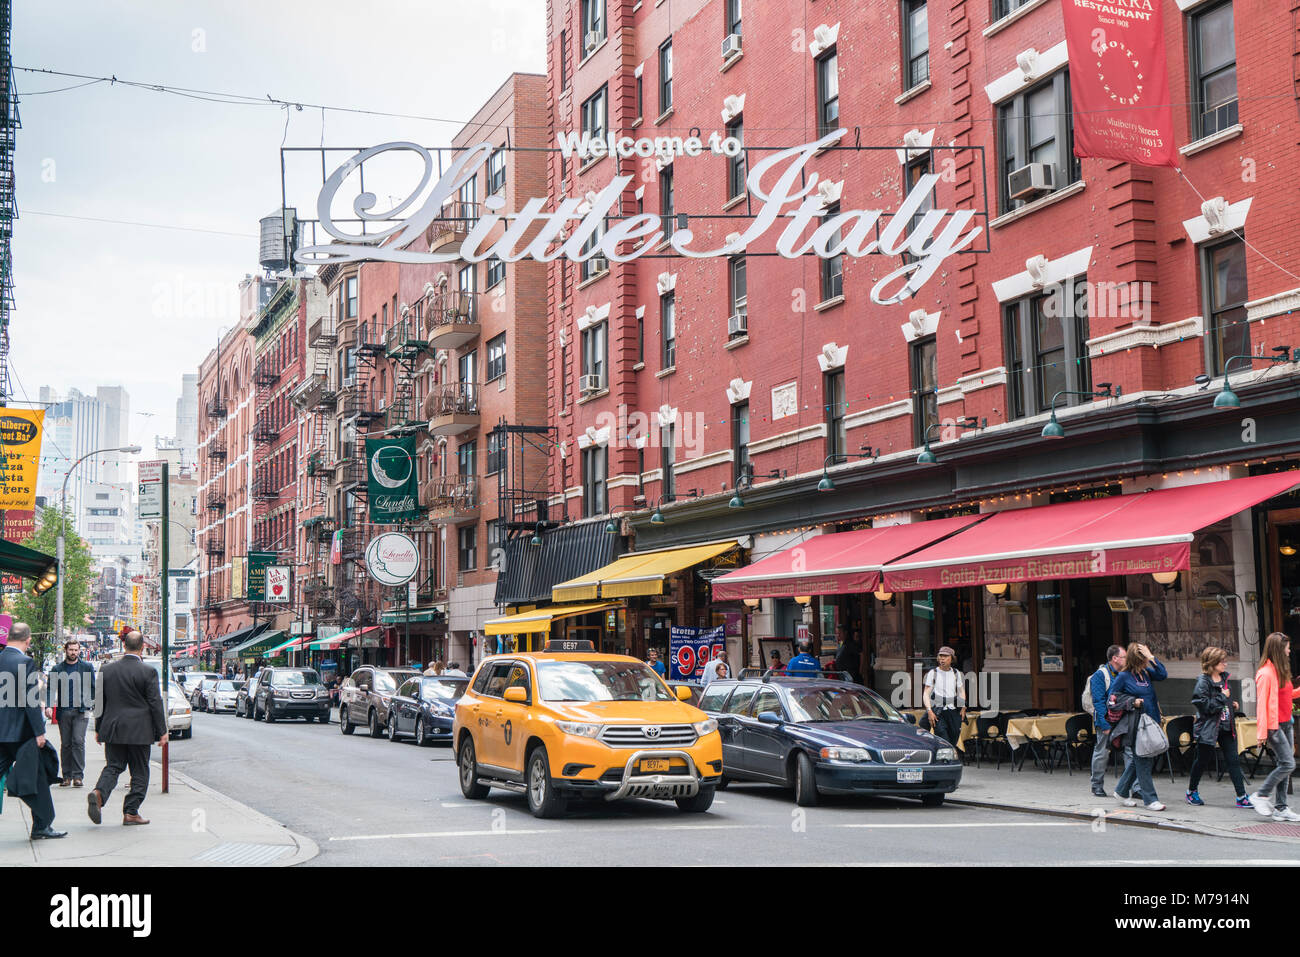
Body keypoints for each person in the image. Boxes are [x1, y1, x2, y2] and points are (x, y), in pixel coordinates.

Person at [89, 630, 168, 827]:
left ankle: (99, 793)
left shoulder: (106, 670)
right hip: (140, 731)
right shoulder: (148, 672)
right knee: (140, 771)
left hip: (113, 728)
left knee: (114, 766)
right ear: (143, 647)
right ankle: (131, 812)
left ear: (124, 646)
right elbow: (155, 703)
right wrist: (162, 731)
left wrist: (98, 728)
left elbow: (99, 701)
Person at [0, 623, 65, 839]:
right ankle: (41, 826)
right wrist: (39, 732)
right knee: (37, 777)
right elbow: (30, 700)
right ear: (28, 640)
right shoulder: (25, 662)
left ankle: (42, 825)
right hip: (21, 733)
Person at [1186, 646, 1250, 808]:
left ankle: (1241, 796)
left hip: (1226, 726)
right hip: (1209, 728)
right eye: (1222, 661)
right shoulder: (1203, 681)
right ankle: (1191, 791)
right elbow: (1204, 707)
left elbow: (1220, 702)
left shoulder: (1223, 678)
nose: (1225, 664)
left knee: (1233, 761)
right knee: (1202, 760)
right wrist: (1223, 698)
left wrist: (1230, 704)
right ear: (1212, 663)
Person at [1247, 632, 1300, 821]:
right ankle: (1260, 795)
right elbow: (1261, 705)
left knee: (1283, 765)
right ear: (1278, 649)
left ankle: (1280, 807)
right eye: (1286, 647)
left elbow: (1285, 696)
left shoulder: (1278, 670)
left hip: (1286, 723)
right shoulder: (1266, 673)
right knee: (1288, 764)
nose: (1289, 650)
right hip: (1274, 726)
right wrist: (1262, 733)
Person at [1111, 642, 1168, 812]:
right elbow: (1112, 700)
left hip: (1151, 722)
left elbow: (1163, 674)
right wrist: (1131, 702)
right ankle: (1150, 799)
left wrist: (1152, 657)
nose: (1145, 663)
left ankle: (1121, 791)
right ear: (1135, 660)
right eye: (1143, 660)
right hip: (1136, 724)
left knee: (1142, 759)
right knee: (1143, 759)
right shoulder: (1123, 676)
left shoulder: (1146, 673)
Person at [46, 637, 96, 788]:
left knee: (78, 741)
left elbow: (93, 687)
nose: (73, 653)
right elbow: (50, 689)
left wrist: (91, 703)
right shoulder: (57, 669)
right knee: (66, 744)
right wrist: (48, 706)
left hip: (81, 711)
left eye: (76, 650)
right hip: (64, 711)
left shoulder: (86, 667)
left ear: (79, 651)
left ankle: (78, 776)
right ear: (66, 650)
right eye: (71, 650)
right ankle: (66, 776)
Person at [1087, 644, 1125, 798]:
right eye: (1124, 657)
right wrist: (1105, 724)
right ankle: (1097, 785)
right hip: (1107, 721)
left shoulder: (1125, 673)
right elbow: (1098, 701)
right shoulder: (1100, 675)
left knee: (1130, 753)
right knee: (1102, 752)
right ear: (1114, 659)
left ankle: (1135, 787)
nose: (1127, 659)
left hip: (1123, 720)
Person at [923, 646, 966, 748]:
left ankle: (948, 760)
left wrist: (963, 706)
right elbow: (926, 693)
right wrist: (929, 711)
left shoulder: (956, 673)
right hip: (938, 711)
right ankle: (945, 761)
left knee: (954, 737)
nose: (942, 658)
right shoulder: (933, 673)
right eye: (940, 656)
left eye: (945, 656)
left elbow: (961, 691)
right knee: (943, 737)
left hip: (953, 710)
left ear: (952, 658)